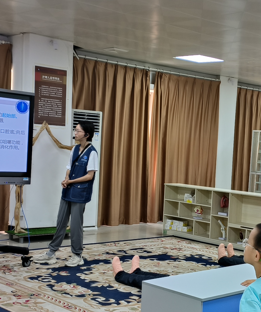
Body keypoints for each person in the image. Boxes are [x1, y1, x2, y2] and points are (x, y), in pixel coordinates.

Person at [34, 120, 98, 267]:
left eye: (78, 131)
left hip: (80, 193)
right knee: (61, 222)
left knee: (75, 225)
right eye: (75, 130)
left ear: (86, 134)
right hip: (68, 190)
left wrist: (71, 181)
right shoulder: (74, 149)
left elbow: (90, 176)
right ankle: (51, 253)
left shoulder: (92, 152)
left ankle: (77, 255)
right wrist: (66, 179)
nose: (75, 133)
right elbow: (69, 167)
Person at [111, 242, 247, 290]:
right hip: (208, 282)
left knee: (163, 282)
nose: (246, 247)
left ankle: (121, 275)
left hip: (204, 288)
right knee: (167, 279)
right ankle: (136, 271)